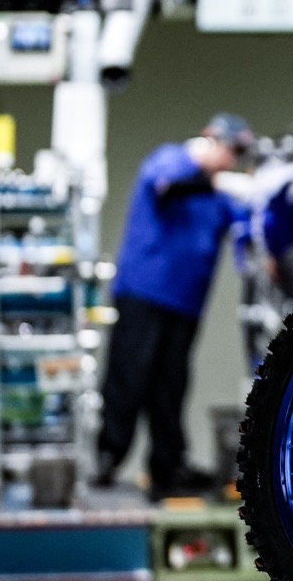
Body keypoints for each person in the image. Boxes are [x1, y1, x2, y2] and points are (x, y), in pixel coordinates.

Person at [96, 113, 257, 496]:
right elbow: (166, 187)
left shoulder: (219, 197)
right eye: (231, 151)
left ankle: (167, 467)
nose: (233, 161)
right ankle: (105, 457)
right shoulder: (171, 159)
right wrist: (217, 182)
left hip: (185, 304)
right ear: (211, 139)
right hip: (145, 292)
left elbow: (252, 227)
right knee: (128, 376)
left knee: (171, 385)